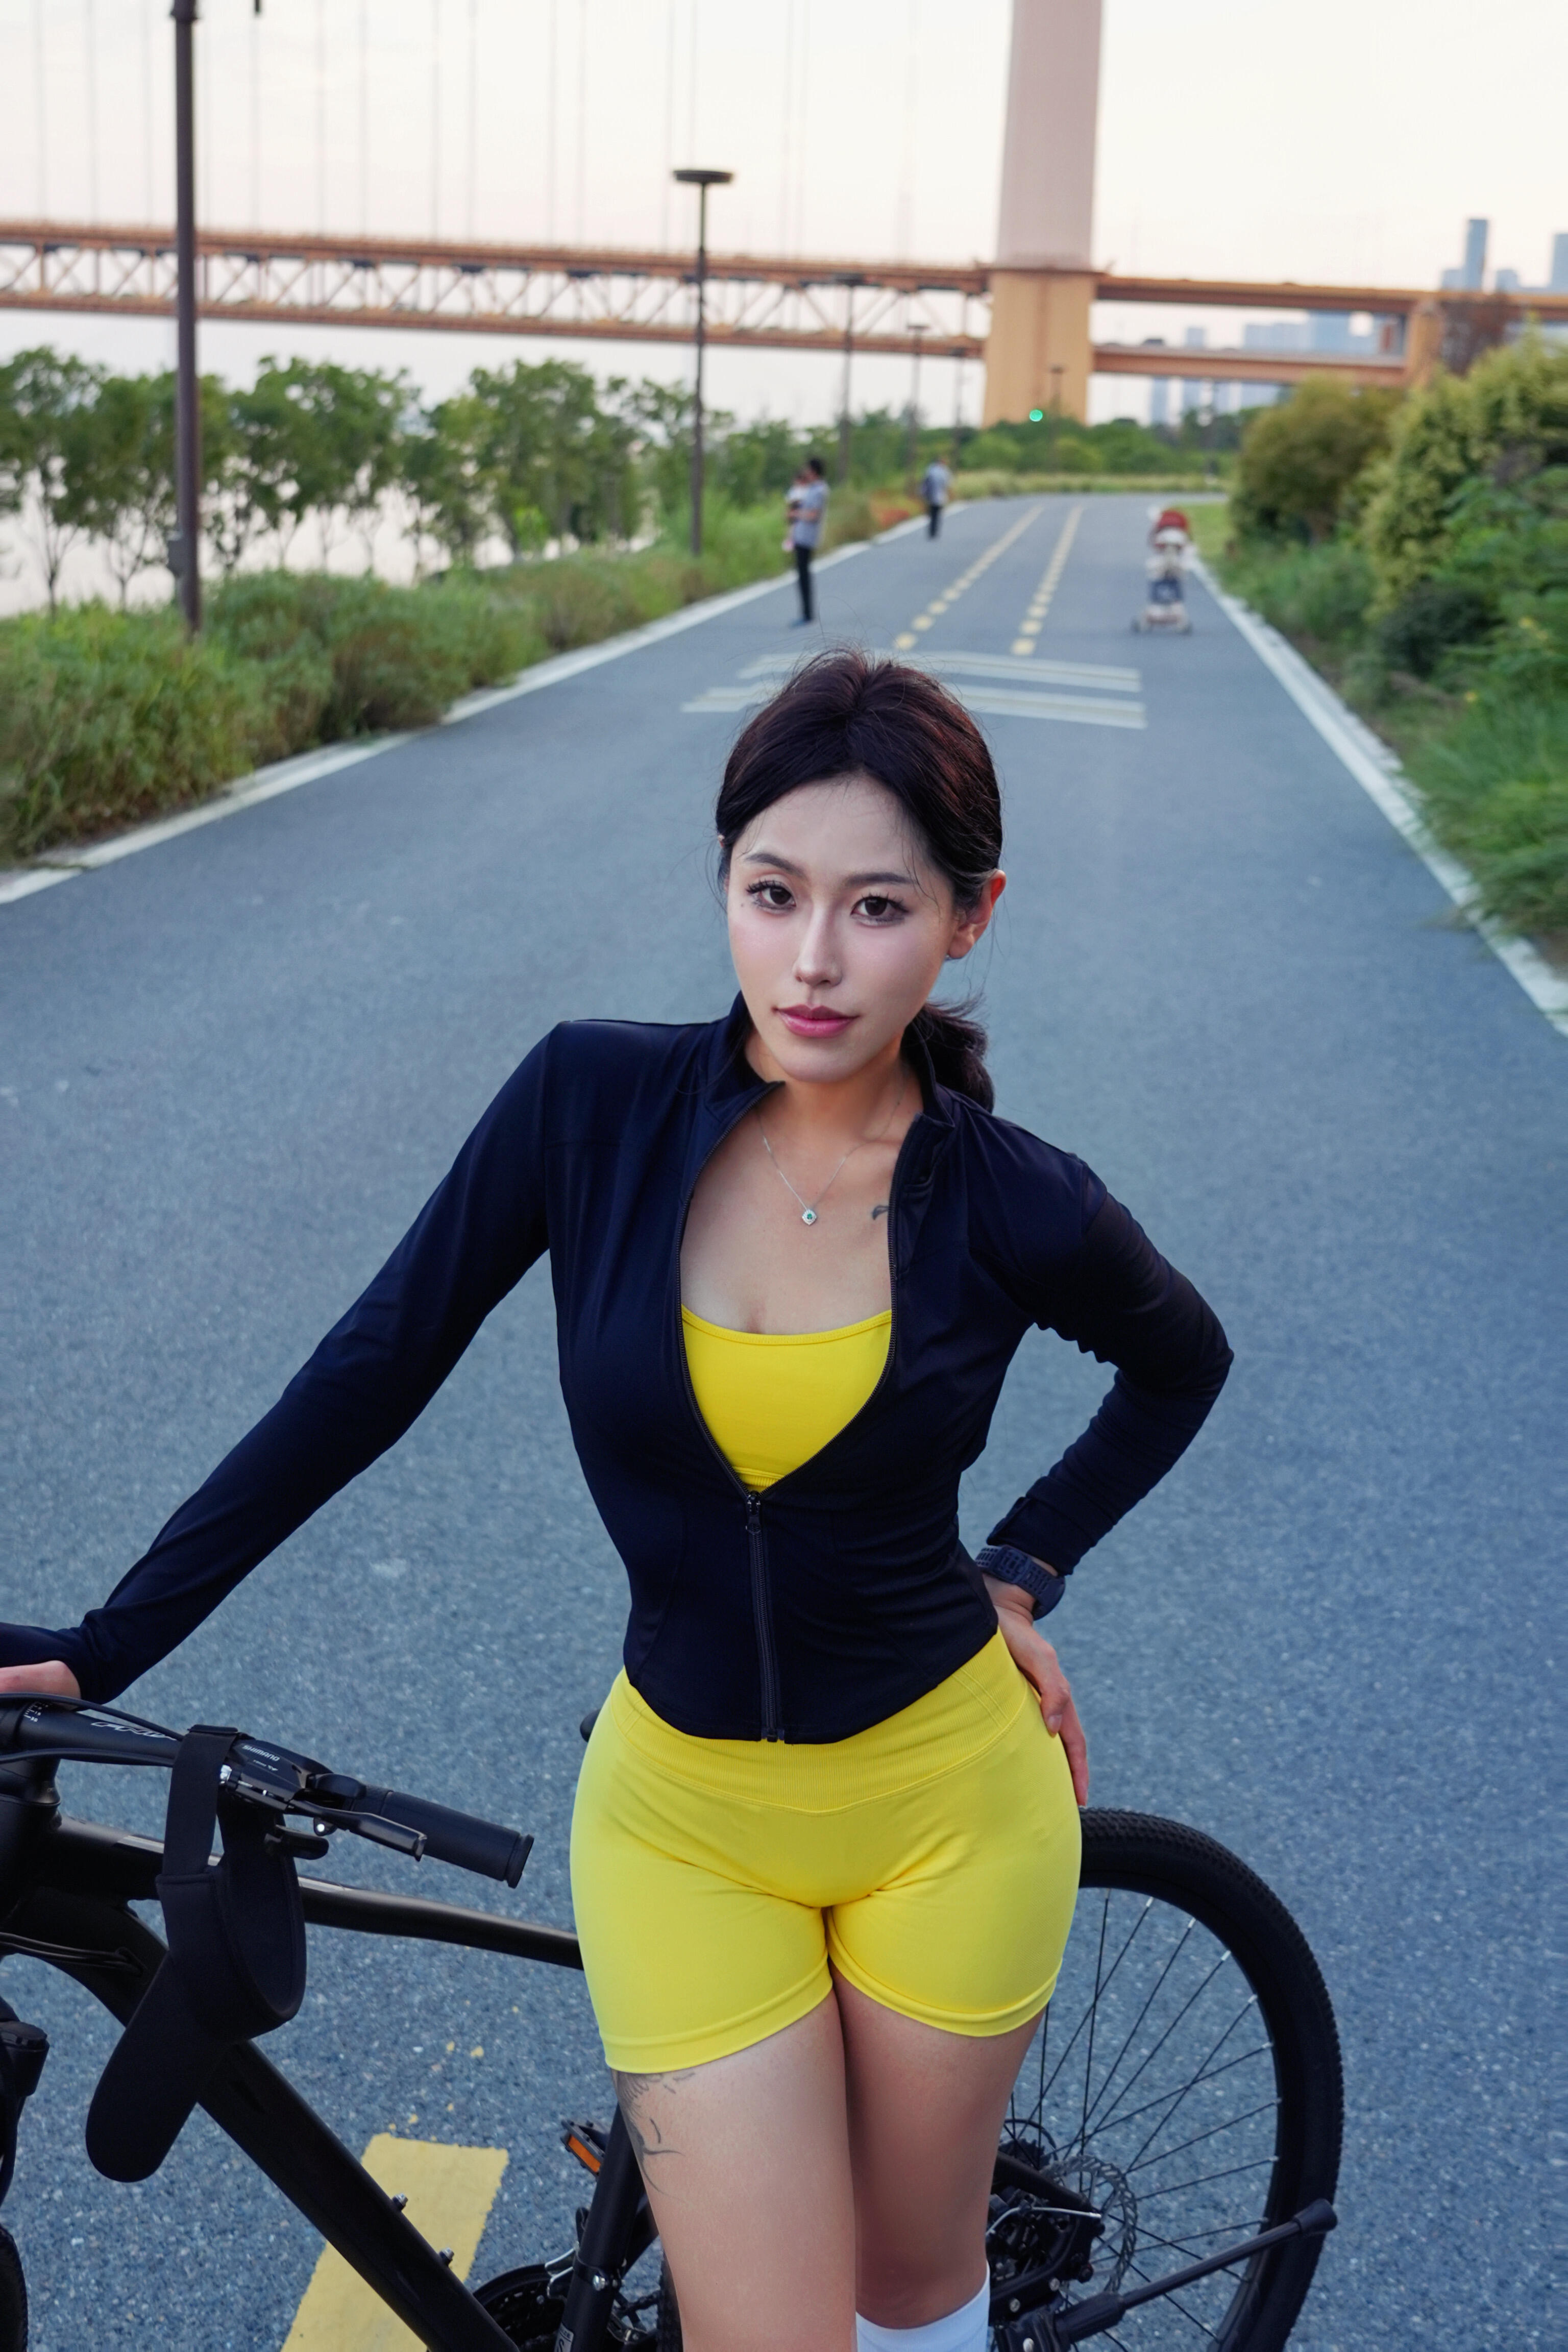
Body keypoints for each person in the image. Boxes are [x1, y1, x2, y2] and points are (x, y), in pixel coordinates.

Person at [0, 653, 1231, 2352]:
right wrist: (109, 1641)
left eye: (877, 905)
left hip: (950, 1815)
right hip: (682, 1827)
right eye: (773, 893)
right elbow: (370, 1369)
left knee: (909, 2288)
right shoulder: (592, 1104)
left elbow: (1181, 1362)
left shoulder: (1018, 1200)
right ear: (724, 884)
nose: (813, 958)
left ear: (971, 916)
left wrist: (1021, 1567)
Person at [785, 454, 828, 624]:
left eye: (808, 470)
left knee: (804, 575)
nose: (806, 473)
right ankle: (806, 613)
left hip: (807, 538)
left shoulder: (819, 490)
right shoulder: (811, 488)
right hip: (801, 536)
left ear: (814, 471)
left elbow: (814, 515)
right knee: (802, 575)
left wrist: (797, 514)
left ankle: (807, 614)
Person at [920, 454, 951, 538]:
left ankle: (932, 531)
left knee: (932, 514)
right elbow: (947, 484)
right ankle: (935, 531)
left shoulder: (930, 470)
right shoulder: (944, 471)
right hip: (940, 496)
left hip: (930, 496)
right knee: (938, 514)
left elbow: (924, 482)